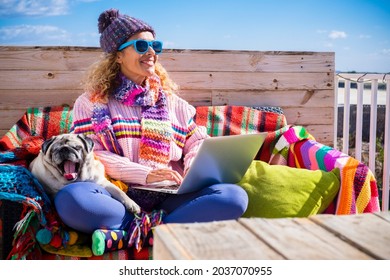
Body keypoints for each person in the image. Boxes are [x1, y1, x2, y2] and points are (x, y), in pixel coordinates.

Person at [54, 9, 248, 243]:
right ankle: (161, 230)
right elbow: (92, 154)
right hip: (117, 195)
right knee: (71, 198)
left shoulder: (177, 104)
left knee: (233, 197)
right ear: (117, 56)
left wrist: (191, 172)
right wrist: (146, 175)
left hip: (170, 194)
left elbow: (196, 143)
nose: (151, 52)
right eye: (141, 46)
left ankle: (132, 234)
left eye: (155, 45)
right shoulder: (91, 103)